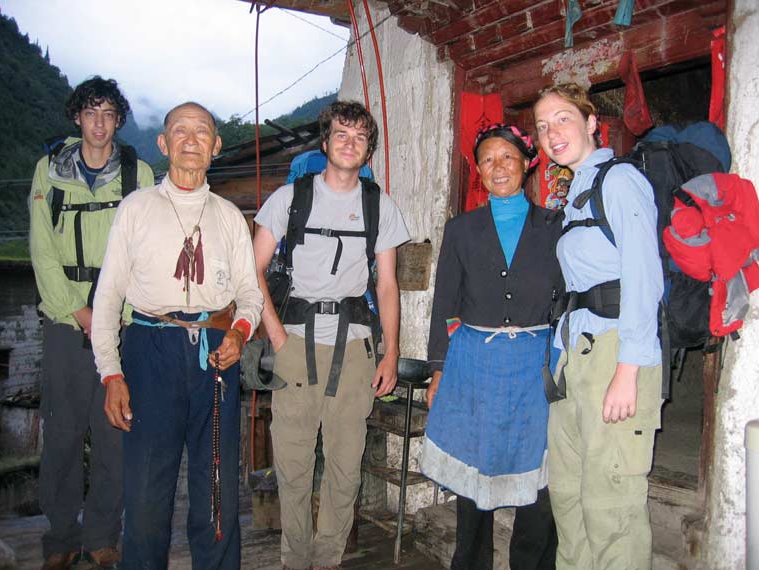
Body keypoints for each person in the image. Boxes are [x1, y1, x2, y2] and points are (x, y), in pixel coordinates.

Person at [90, 102, 264, 569]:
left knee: (218, 488)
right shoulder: (137, 209)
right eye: (180, 131)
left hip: (216, 353)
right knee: (146, 489)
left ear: (216, 146)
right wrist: (111, 373)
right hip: (152, 349)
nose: (191, 139)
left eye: (202, 131)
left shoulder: (229, 216)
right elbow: (107, 298)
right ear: (164, 144)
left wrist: (240, 333)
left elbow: (250, 293)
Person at [252, 100, 409, 570]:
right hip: (296, 343)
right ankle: (294, 560)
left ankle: (328, 559)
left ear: (368, 150)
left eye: (359, 137)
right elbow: (251, 268)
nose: (349, 143)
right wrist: (277, 336)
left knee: (345, 465)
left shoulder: (378, 205)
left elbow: (386, 284)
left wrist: (390, 352)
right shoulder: (291, 197)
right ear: (326, 143)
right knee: (294, 466)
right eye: (341, 134)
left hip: (356, 347)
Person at [420, 123, 563, 570]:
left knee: (538, 476)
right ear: (478, 170)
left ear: (526, 163)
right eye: (487, 160)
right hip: (473, 363)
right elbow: (446, 302)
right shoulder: (461, 230)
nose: (497, 167)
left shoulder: (555, 226)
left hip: (535, 366)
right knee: (473, 474)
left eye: (507, 157)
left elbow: (567, 298)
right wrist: (439, 368)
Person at [533, 83, 663, 569]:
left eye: (562, 119)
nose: (551, 133)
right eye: (543, 127)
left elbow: (644, 277)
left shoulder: (619, 180)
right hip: (575, 359)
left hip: (615, 352)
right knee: (568, 497)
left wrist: (628, 369)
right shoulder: (574, 194)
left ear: (591, 124)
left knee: (611, 505)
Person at [29, 76, 154, 570]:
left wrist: (114, 316)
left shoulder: (138, 173)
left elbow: (146, 251)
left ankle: (102, 534)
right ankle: (60, 538)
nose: (99, 123)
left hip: (121, 323)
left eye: (108, 114)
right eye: (90, 112)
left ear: (119, 120)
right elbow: (41, 251)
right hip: (65, 321)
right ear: (77, 118)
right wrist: (78, 312)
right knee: (60, 434)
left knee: (113, 433)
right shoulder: (48, 172)